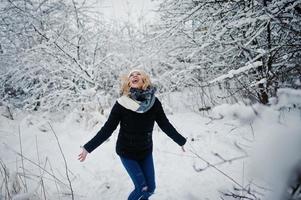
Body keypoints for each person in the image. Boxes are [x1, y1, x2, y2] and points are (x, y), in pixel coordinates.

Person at [78, 69, 186, 200]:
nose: (134, 76)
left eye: (138, 74)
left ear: (144, 80)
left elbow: (165, 124)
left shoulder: (154, 102)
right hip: (127, 152)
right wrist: (88, 148)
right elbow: (107, 129)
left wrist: (181, 141)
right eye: (131, 75)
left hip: (145, 151)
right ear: (128, 82)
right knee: (141, 188)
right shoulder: (122, 104)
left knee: (151, 189)